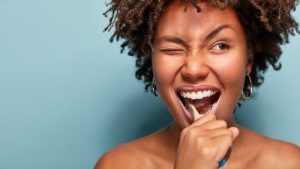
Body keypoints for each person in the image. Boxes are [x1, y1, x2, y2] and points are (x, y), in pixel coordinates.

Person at [96, 0, 300, 168]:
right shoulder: (116, 164)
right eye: (172, 49)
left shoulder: (290, 163)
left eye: (220, 46)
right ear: (153, 61)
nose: (193, 70)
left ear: (248, 61)